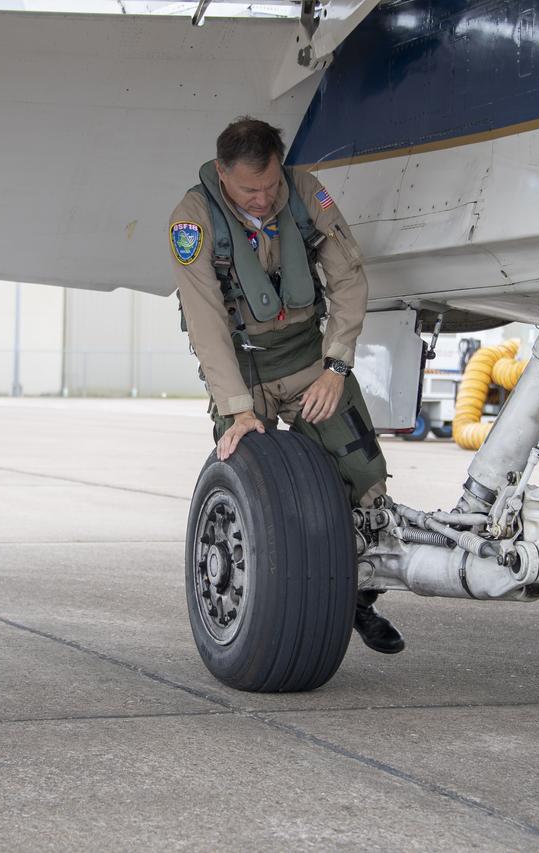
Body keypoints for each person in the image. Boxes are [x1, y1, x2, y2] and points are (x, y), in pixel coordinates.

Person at [168, 117, 404, 655]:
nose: (263, 198)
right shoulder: (193, 219)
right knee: (253, 485)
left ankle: (358, 601)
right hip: (242, 374)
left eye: (271, 184)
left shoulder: (303, 194)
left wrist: (336, 365)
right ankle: (266, 611)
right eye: (250, 190)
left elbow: (348, 277)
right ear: (223, 176)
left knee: (365, 484)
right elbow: (205, 321)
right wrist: (236, 409)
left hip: (308, 363)